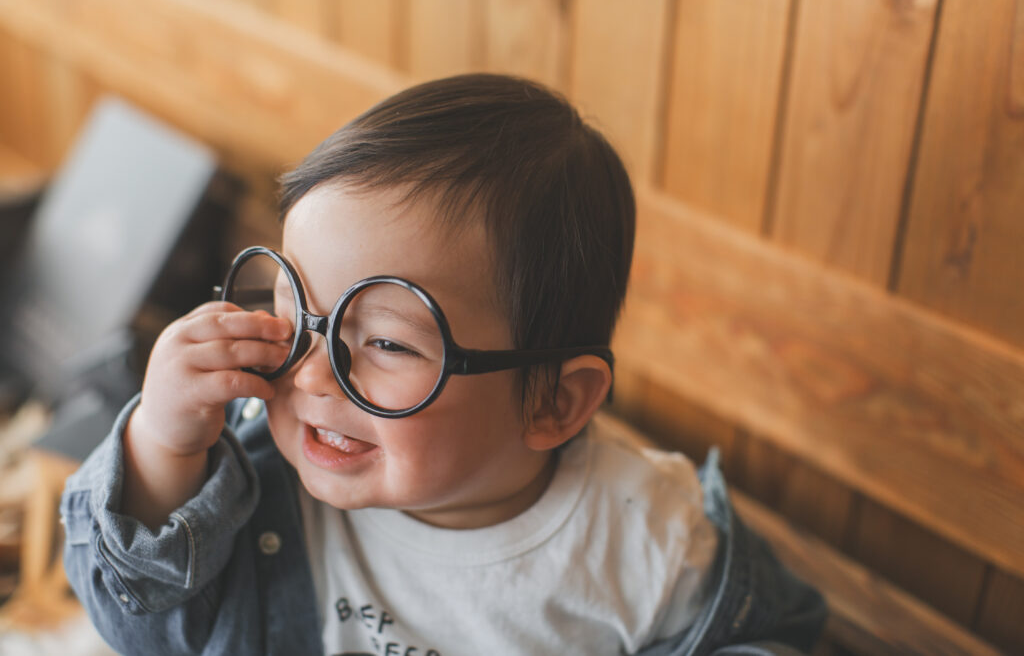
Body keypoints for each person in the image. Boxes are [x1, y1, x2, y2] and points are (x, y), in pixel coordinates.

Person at [62, 73, 825, 655]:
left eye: (388, 342)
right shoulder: (251, 476)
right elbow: (144, 625)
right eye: (297, 307)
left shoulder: (643, 535)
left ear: (554, 402)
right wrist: (161, 445)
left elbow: (774, 632)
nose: (312, 376)